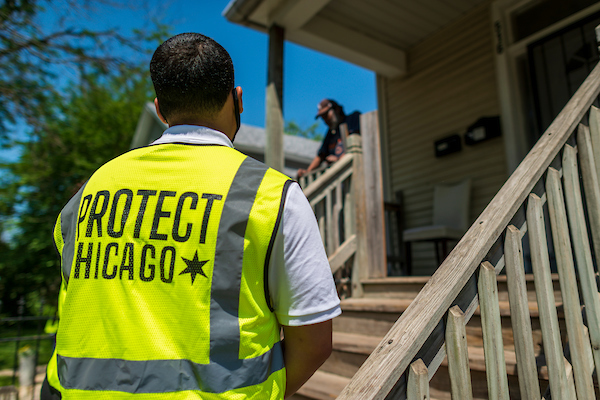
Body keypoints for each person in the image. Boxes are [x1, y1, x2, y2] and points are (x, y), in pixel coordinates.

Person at [42, 32, 341, 399]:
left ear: (159, 108)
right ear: (238, 100)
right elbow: (313, 343)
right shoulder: (272, 195)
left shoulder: (90, 191)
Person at [297, 99, 360, 178]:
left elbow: (358, 142)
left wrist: (339, 160)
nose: (325, 120)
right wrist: (307, 171)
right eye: (323, 118)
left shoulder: (353, 119)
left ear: (336, 110)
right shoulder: (330, 133)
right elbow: (320, 156)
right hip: (339, 177)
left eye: (326, 115)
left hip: (354, 171)